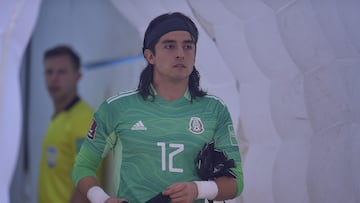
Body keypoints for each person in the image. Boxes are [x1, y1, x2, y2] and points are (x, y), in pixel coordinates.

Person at [72, 12, 244, 203]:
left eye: (188, 46)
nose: (180, 53)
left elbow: (236, 181)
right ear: (150, 55)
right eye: (169, 46)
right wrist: (103, 199)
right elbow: (82, 167)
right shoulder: (116, 108)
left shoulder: (214, 110)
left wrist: (199, 189)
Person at [37, 45, 102, 203]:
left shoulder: (83, 119)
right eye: (49, 72)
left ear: (78, 76)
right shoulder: (60, 117)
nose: (54, 79)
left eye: (62, 72)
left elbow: (85, 182)